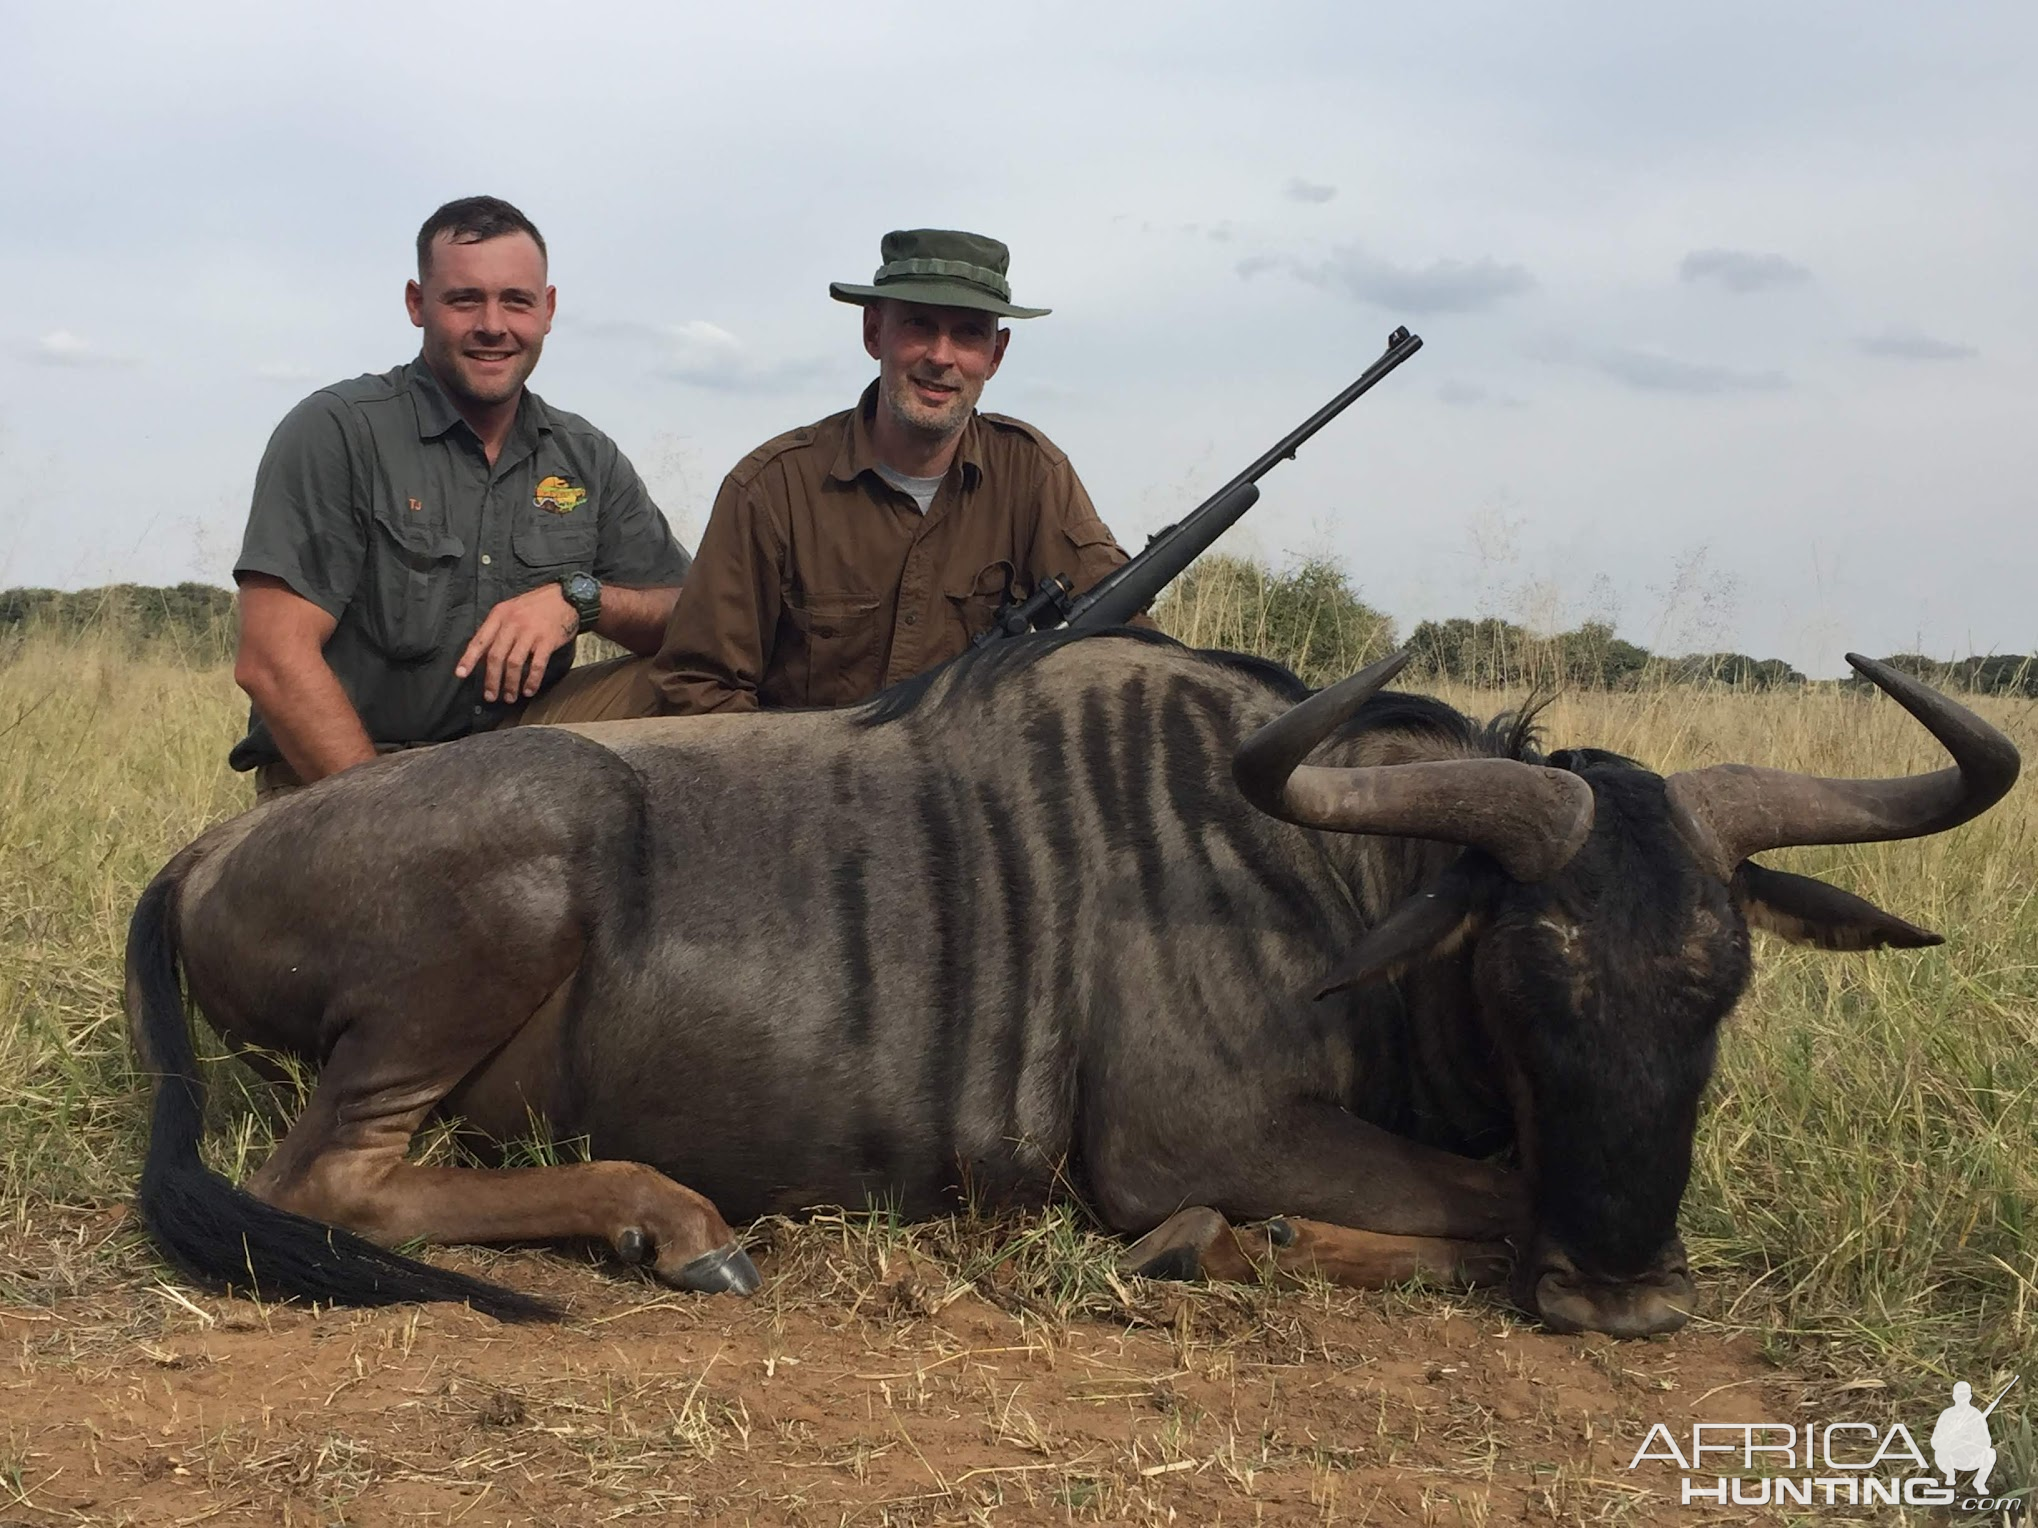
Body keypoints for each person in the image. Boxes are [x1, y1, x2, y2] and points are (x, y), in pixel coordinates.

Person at [230, 195, 690, 798]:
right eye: (465, 299)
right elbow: (271, 660)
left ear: (548, 310)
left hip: (514, 761)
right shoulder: (337, 430)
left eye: (516, 301)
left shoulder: (584, 454)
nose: (493, 326)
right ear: (417, 304)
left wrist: (580, 600)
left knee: (696, 675)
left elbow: (691, 613)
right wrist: (387, 821)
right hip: (350, 782)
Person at [649, 228, 1142, 715]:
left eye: (969, 332)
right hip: (808, 786)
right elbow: (698, 687)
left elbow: (1125, 637)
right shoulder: (771, 489)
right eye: (919, 325)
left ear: (995, 355)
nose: (941, 357)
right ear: (873, 332)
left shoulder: (1033, 474)